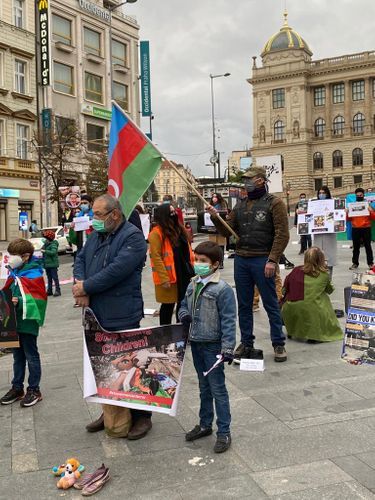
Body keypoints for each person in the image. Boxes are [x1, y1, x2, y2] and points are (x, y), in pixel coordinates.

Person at [73, 194, 151, 440]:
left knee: (128, 365)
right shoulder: (97, 235)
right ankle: (110, 410)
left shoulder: (133, 237)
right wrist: (80, 284)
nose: (93, 219)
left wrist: (87, 287)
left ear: (114, 214)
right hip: (96, 310)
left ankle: (141, 416)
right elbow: (81, 259)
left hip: (122, 311)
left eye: (97, 215)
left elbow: (116, 271)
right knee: (102, 363)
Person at [207, 166, 289, 363]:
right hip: (242, 259)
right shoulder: (240, 205)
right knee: (244, 305)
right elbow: (227, 231)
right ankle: (246, 342)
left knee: (270, 303)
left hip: (263, 259)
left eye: (250, 179)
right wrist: (214, 217)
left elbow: (282, 234)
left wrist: (272, 260)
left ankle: (278, 343)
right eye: (245, 180)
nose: (246, 183)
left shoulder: (274, 203)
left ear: (261, 180)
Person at [178, 241, 236, 453]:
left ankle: (224, 431)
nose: (198, 264)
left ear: (215, 264)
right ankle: (205, 424)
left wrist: (228, 348)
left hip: (213, 347)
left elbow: (229, 320)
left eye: (203, 261)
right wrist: (183, 315)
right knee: (204, 388)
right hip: (197, 343)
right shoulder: (193, 283)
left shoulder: (222, 289)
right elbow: (183, 305)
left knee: (218, 389)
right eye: (196, 259)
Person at [0, 239, 47, 407]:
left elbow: (39, 299)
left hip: (27, 322)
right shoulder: (13, 272)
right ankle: (17, 387)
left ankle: (34, 389)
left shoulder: (34, 273)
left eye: (13, 255)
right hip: (13, 322)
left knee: (31, 355)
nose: (10, 258)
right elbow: (8, 290)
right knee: (17, 357)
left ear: (25, 257)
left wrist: (18, 301)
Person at [281, 247, 343, 343]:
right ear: (321, 260)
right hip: (311, 310)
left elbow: (284, 289)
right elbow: (330, 290)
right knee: (322, 299)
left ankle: (294, 330)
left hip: (290, 308)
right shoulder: (324, 274)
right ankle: (315, 335)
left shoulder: (296, 270)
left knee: (303, 301)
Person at [148, 203, 194, 326]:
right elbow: (156, 257)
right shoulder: (156, 233)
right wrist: (164, 278)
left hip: (184, 272)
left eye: (174, 212)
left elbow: (188, 250)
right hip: (169, 276)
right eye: (171, 212)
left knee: (183, 304)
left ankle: (182, 331)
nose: (174, 214)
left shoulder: (178, 229)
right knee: (168, 305)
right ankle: (165, 332)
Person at [348, 187, 375, 270]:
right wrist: (347, 212)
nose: (359, 196)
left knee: (368, 246)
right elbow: (348, 219)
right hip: (355, 228)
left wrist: (371, 211)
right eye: (357, 195)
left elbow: (373, 217)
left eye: (360, 195)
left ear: (363, 195)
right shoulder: (352, 206)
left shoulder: (368, 205)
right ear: (355, 196)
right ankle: (355, 263)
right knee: (356, 247)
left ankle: (370, 263)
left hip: (366, 228)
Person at [313, 186, 337, 279]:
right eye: (320, 193)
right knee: (318, 257)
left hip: (329, 234)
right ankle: (319, 279)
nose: (321, 195)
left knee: (329, 258)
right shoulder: (314, 204)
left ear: (327, 194)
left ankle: (328, 280)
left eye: (323, 193)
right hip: (318, 233)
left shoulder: (333, 203)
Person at [208, 193, 228, 269]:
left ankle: (221, 262)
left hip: (220, 228)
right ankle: (214, 261)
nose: (214, 198)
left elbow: (225, 213)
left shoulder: (222, 205)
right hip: (212, 229)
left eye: (216, 197)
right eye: (213, 197)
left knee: (221, 246)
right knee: (213, 246)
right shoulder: (209, 205)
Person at [42, 230, 61, 297]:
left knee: (55, 278)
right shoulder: (46, 244)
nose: (45, 239)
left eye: (46, 238)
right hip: (47, 264)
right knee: (49, 278)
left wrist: (45, 251)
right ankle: (49, 290)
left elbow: (53, 252)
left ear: (49, 238)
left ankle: (58, 290)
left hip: (53, 264)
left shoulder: (53, 244)